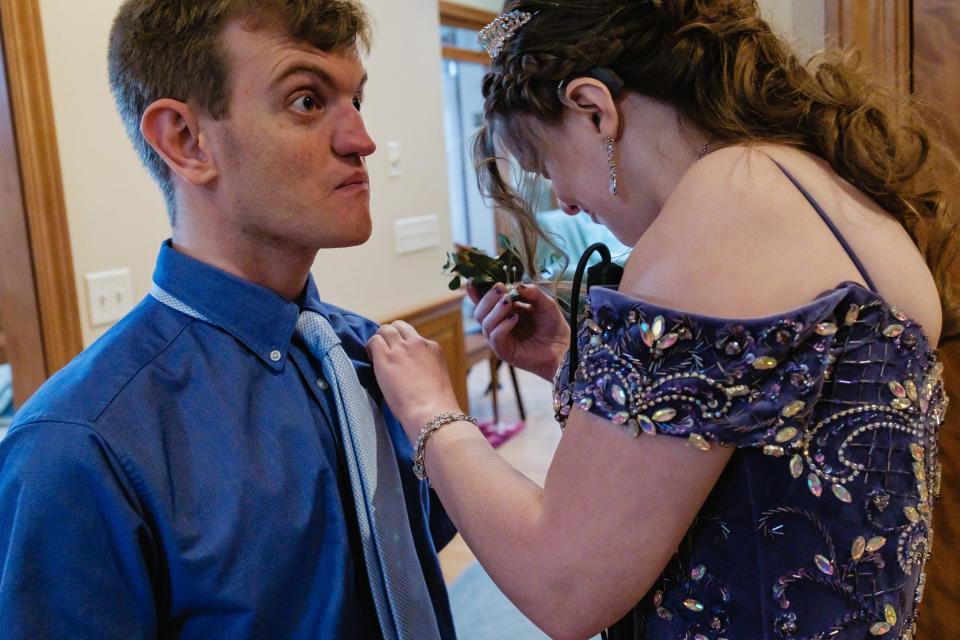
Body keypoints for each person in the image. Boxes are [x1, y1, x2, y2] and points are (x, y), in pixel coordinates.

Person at [367, 1, 957, 638]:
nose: (563, 199)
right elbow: (759, 440)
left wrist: (432, 412)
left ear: (595, 108)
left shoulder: (726, 204)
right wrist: (568, 359)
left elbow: (561, 581)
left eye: (546, 166)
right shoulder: (822, 189)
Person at [0, 1, 456, 638]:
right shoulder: (77, 447)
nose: (362, 140)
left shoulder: (377, 361)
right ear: (187, 142)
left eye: (357, 99)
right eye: (306, 100)